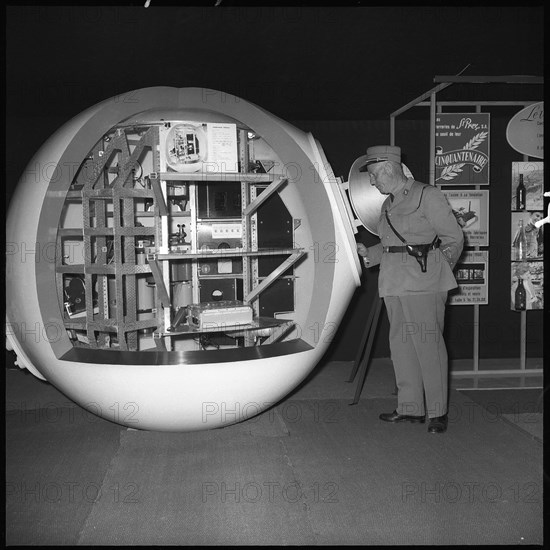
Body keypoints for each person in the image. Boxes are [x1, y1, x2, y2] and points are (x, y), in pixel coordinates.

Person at [356, 145, 464, 434]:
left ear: (389, 169)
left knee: (429, 347)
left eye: (373, 176)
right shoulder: (386, 205)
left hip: (423, 283)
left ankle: (437, 412)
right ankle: (411, 408)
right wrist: (369, 253)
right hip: (393, 283)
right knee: (401, 347)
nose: (372, 182)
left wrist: (438, 269)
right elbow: (393, 246)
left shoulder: (426, 195)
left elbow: (453, 238)